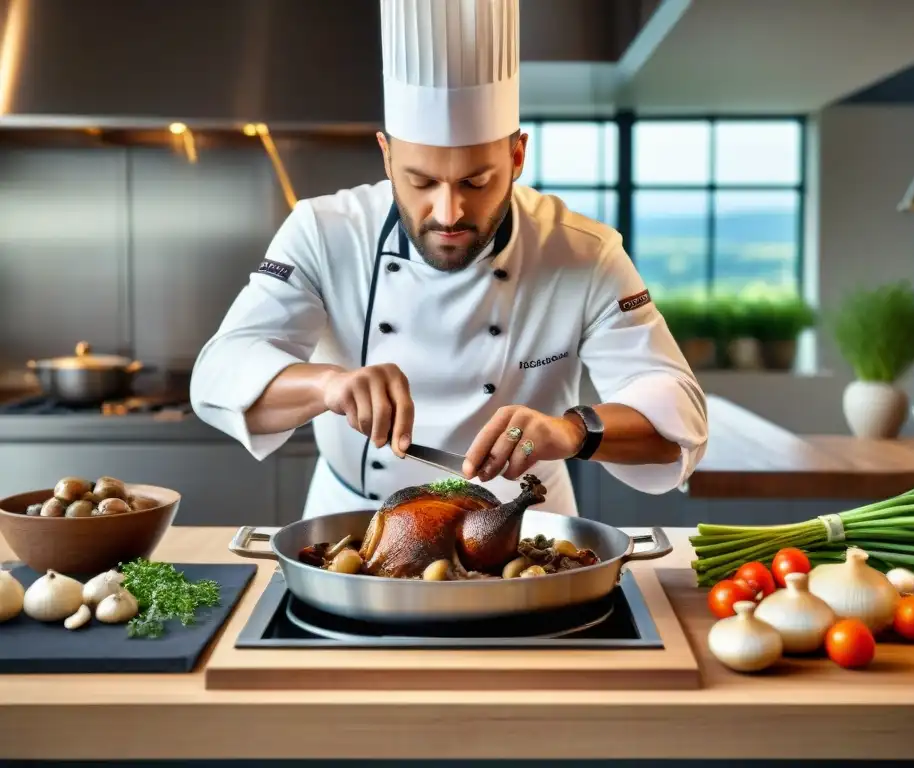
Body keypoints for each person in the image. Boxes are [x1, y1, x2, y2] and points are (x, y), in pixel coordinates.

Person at [190, 0, 709, 520]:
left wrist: (570, 430)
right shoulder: (323, 231)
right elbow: (221, 372)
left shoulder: (584, 252)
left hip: (528, 526)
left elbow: (677, 417)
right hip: (354, 523)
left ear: (517, 157)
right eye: (420, 182)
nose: (449, 212)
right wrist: (329, 384)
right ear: (387, 157)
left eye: (476, 182)